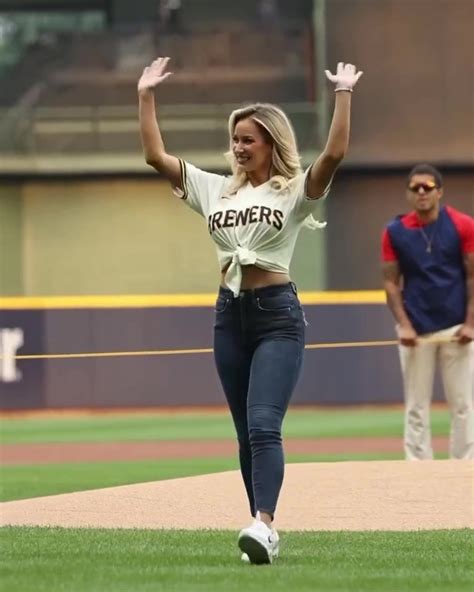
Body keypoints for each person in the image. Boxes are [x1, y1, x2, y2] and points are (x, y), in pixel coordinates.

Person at [138, 56, 363, 564]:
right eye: (235, 138)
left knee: (265, 423)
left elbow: (335, 153)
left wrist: (344, 93)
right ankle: (259, 526)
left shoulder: (291, 191)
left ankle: (264, 525)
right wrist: (145, 94)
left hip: (276, 314)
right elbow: (156, 155)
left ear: (270, 144)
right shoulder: (215, 188)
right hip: (229, 315)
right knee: (245, 431)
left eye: (248, 140)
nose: (239, 147)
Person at [381, 164, 474, 461]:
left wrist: (471, 323)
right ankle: (418, 471)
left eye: (428, 187)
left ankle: (465, 466)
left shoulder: (463, 225)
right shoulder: (395, 231)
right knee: (416, 407)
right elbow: (391, 283)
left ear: (439, 192)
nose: (422, 192)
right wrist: (404, 326)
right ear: (408, 193)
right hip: (416, 331)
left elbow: (473, 276)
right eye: (415, 188)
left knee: (463, 405)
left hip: (457, 328)